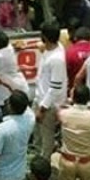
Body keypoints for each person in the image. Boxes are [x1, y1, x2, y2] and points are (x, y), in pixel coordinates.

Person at [34, 21, 68, 159]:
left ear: (45, 37)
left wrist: (42, 109)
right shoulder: (54, 47)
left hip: (48, 105)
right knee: (38, 136)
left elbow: (55, 88)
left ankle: (44, 165)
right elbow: (42, 46)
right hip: (40, 99)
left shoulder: (57, 59)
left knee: (46, 139)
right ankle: (38, 159)